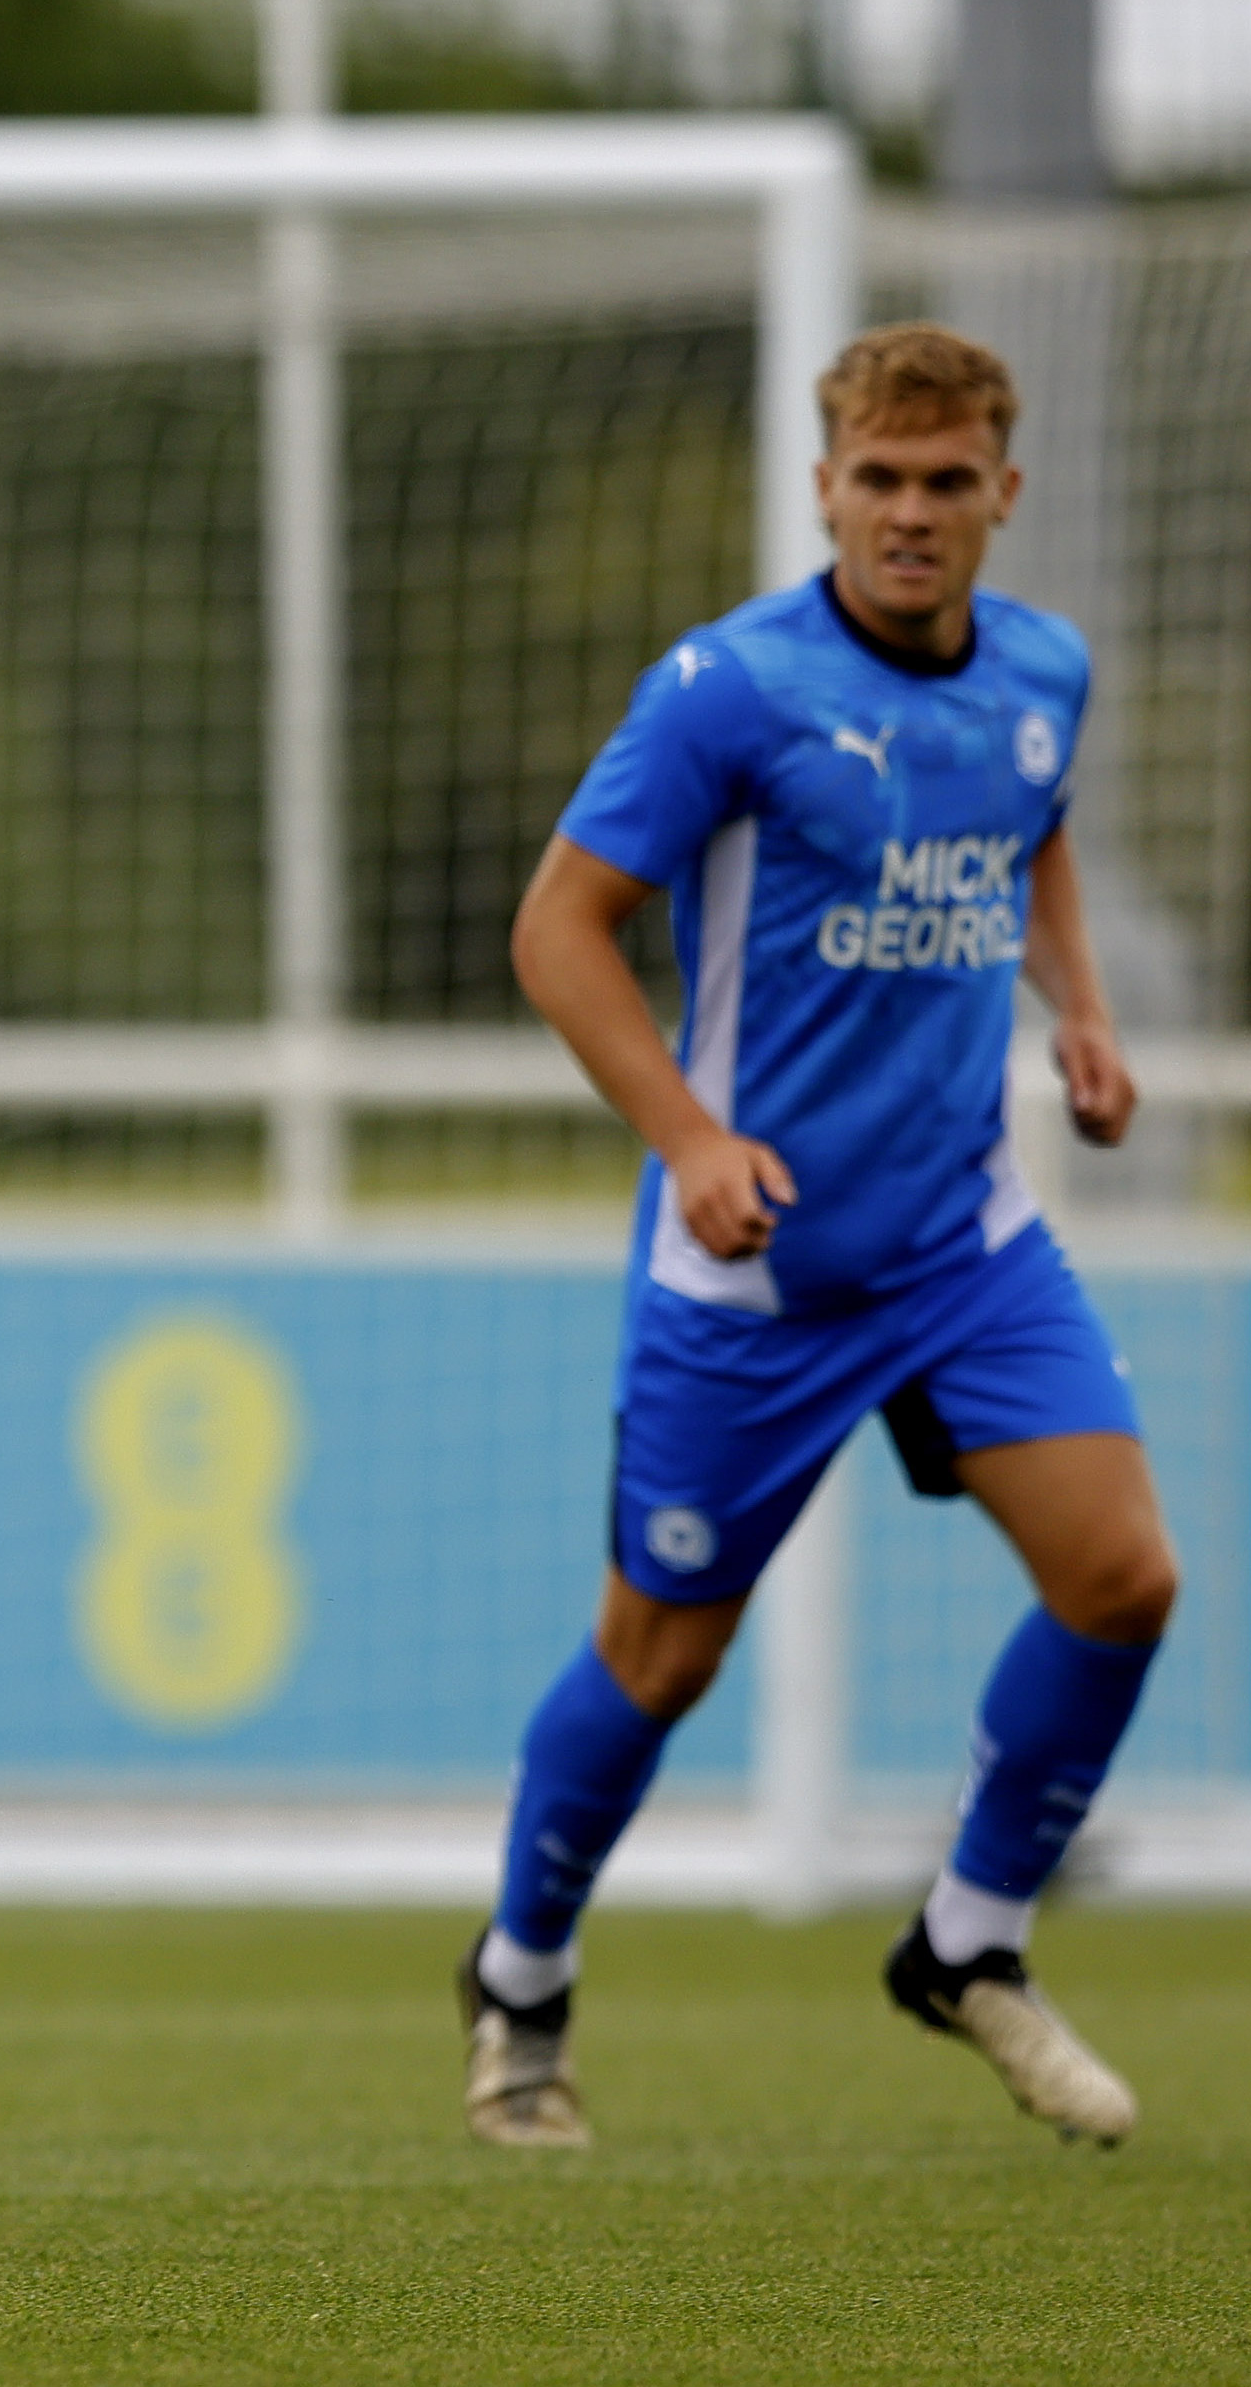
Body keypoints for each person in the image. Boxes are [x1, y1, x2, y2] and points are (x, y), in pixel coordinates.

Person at [460, 322, 1172, 2152]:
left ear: (1005, 494)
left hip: (958, 1239)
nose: (913, 514)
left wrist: (1076, 1010)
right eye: (880, 480)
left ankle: (971, 1941)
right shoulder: (730, 690)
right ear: (827, 489)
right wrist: (689, 1135)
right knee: (662, 1660)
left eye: (949, 483)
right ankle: (523, 1976)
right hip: (754, 1270)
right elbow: (559, 928)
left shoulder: (1043, 670)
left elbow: (1034, 828)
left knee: (1123, 1578)